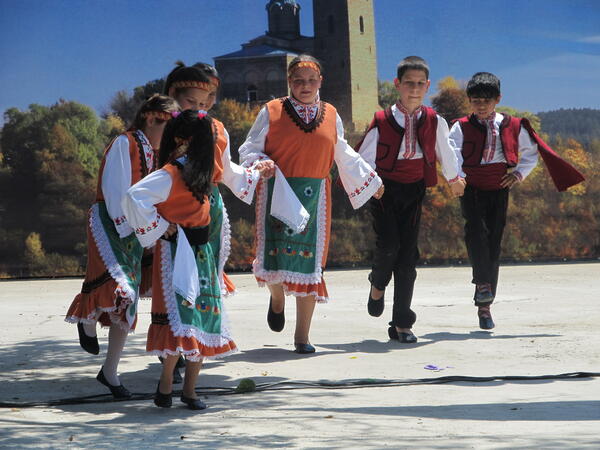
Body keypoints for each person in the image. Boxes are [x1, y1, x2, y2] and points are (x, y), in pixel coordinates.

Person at [238, 54, 384, 354]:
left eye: (311, 80)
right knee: (274, 258)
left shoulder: (330, 113)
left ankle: (302, 337)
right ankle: (277, 298)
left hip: (315, 195)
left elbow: (341, 151)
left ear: (321, 82)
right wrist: (260, 163)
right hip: (277, 190)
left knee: (311, 265)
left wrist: (371, 182)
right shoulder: (272, 110)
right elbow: (250, 148)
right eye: (298, 81)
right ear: (289, 82)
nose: (305, 86)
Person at [448, 72, 585, 329]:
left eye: (486, 100)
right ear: (469, 100)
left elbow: (530, 153)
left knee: (493, 242)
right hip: (471, 187)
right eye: (475, 100)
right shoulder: (460, 126)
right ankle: (483, 286)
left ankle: (485, 307)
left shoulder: (512, 125)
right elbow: (452, 152)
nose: (481, 105)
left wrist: (518, 175)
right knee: (475, 233)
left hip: (499, 188)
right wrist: (458, 178)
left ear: (498, 99)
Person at [65, 94, 179, 398]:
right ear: (151, 118)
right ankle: (87, 322)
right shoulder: (124, 143)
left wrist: (151, 229)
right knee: (120, 289)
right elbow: (115, 191)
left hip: (136, 229)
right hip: (110, 222)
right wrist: (137, 228)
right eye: (167, 126)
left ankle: (109, 372)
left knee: (127, 302)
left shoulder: (157, 154)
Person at [122, 110, 237, 410]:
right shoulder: (171, 173)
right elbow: (134, 196)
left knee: (201, 319)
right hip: (175, 253)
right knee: (182, 321)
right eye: (206, 139)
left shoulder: (202, 172)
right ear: (186, 141)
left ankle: (189, 390)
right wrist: (161, 226)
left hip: (202, 253)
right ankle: (165, 383)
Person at [160, 62, 261, 380]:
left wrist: (255, 173)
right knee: (174, 284)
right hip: (175, 210)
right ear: (174, 96)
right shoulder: (164, 127)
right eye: (192, 102)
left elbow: (227, 171)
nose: (200, 108)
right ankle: (171, 354)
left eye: (206, 102)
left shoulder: (217, 128)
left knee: (201, 283)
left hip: (209, 210)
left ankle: (191, 351)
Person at [355, 56, 465, 344]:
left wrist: (455, 178)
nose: (414, 89)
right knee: (389, 245)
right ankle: (377, 283)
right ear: (397, 85)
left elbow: (446, 150)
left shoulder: (433, 120)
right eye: (408, 83)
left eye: (419, 84)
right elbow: (363, 157)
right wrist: (370, 183)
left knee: (407, 257)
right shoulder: (382, 120)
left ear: (427, 86)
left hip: (414, 188)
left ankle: (402, 322)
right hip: (383, 189)